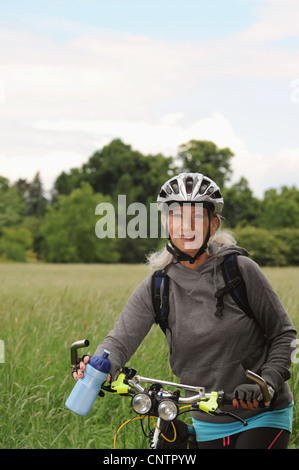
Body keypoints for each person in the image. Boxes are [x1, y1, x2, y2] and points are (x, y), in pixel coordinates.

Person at [73, 172, 297, 449]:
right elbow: (118, 341)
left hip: (263, 415)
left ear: (212, 224)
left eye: (197, 218)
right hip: (207, 420)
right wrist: (99, 365)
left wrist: (267, 383)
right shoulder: (157, 287)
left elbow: (285, 336)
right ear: (166, 221)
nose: (186, 227)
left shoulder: (240, 271)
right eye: (178, 216)